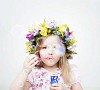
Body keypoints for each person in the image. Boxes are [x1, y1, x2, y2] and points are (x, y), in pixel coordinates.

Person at [10, 20, 83, 90]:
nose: (50, 52)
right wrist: (25, 70)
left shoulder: (70, 71)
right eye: (44, 47)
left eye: (55, 48)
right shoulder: (34, 72)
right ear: (37, 52)